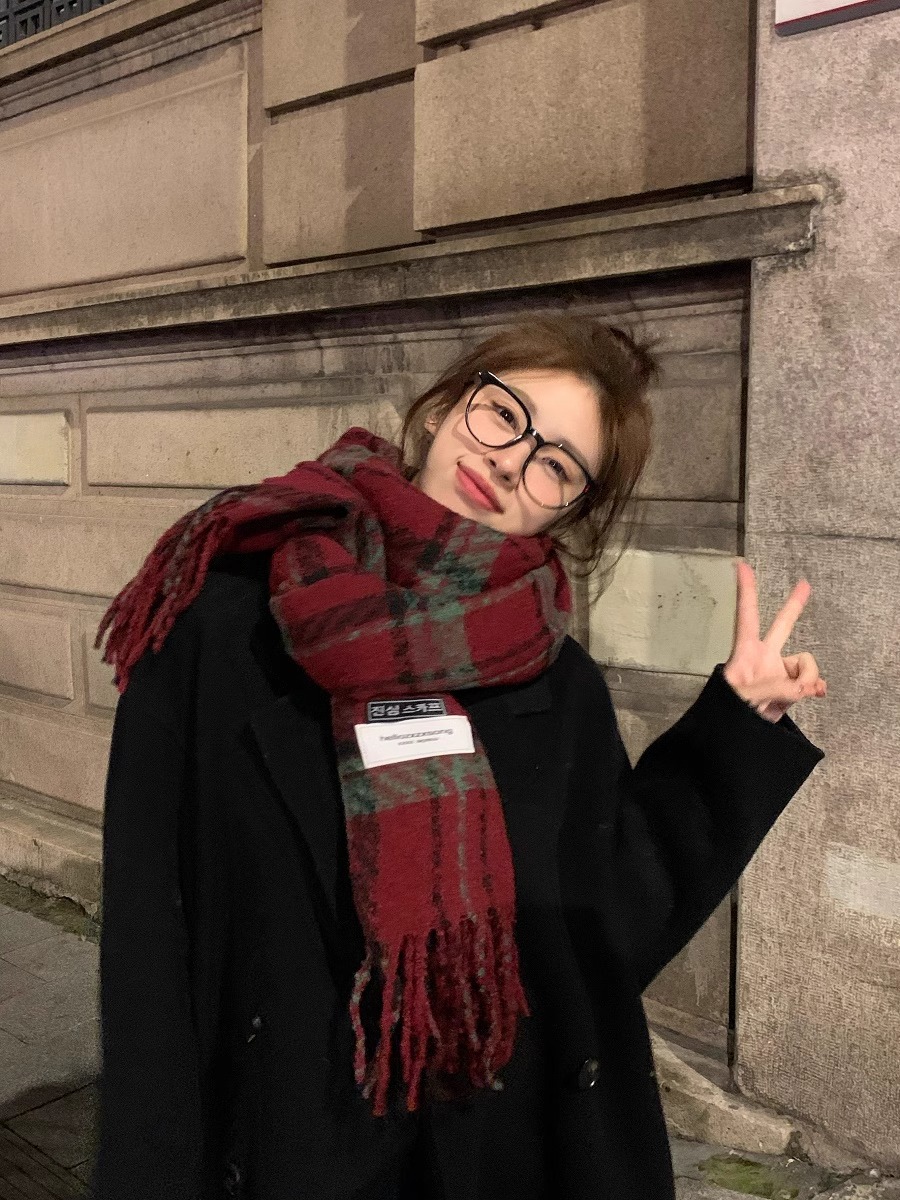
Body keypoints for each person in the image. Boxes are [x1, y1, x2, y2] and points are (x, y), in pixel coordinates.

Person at [92, 315, 826, 1200]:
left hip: (489, 1156)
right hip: (289, 1144)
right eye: (503, 414)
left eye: (557, 465)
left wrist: (737, 725)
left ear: (570, 510)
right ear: (443, 408)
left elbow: (602, 932)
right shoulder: (218, 622)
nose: (512, 463)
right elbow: (149, 943)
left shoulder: (559, 680)